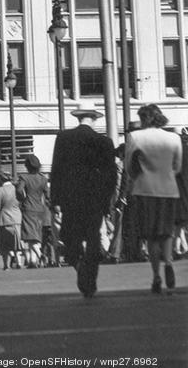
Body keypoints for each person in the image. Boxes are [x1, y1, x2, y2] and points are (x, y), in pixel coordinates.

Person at [50, 99, 117, 298]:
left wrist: (55, 200)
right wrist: (107, 202)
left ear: (78, 117)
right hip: (95, 198)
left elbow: (56, 171)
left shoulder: (63, 138)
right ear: (95, 118)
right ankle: (90, 279)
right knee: (93, 236)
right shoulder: (104, 142)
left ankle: (79, 265)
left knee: (70, 237)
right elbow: (111, 176)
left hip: (71, 197)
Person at [125, 103, 182, 294]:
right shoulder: (173, 138)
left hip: (145, 189)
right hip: (169, 189)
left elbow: (129, 167)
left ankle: (156, 275)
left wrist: (139, 177)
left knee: (151, 235)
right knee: (167, 232)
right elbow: (177, 167)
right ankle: (168, 263)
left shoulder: (135, 137)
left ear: (143, 119)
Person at [16, 154, 50, 268]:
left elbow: (19, 190)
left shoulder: (24, 177)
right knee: (36, 235)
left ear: (27, 166)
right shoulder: (43, 179)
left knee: (29, 236)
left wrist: (22, 199)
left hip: (28, 208)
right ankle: (32, 261)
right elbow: (48, 195)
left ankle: (40, 255)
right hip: (40, 209)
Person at [0, 171, 22, 270]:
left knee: (5, 244)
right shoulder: (16, 189)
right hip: (17, 218)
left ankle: (6, 264)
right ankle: (19, 262)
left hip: (4, 219)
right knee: (17, 242)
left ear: (1, 179)